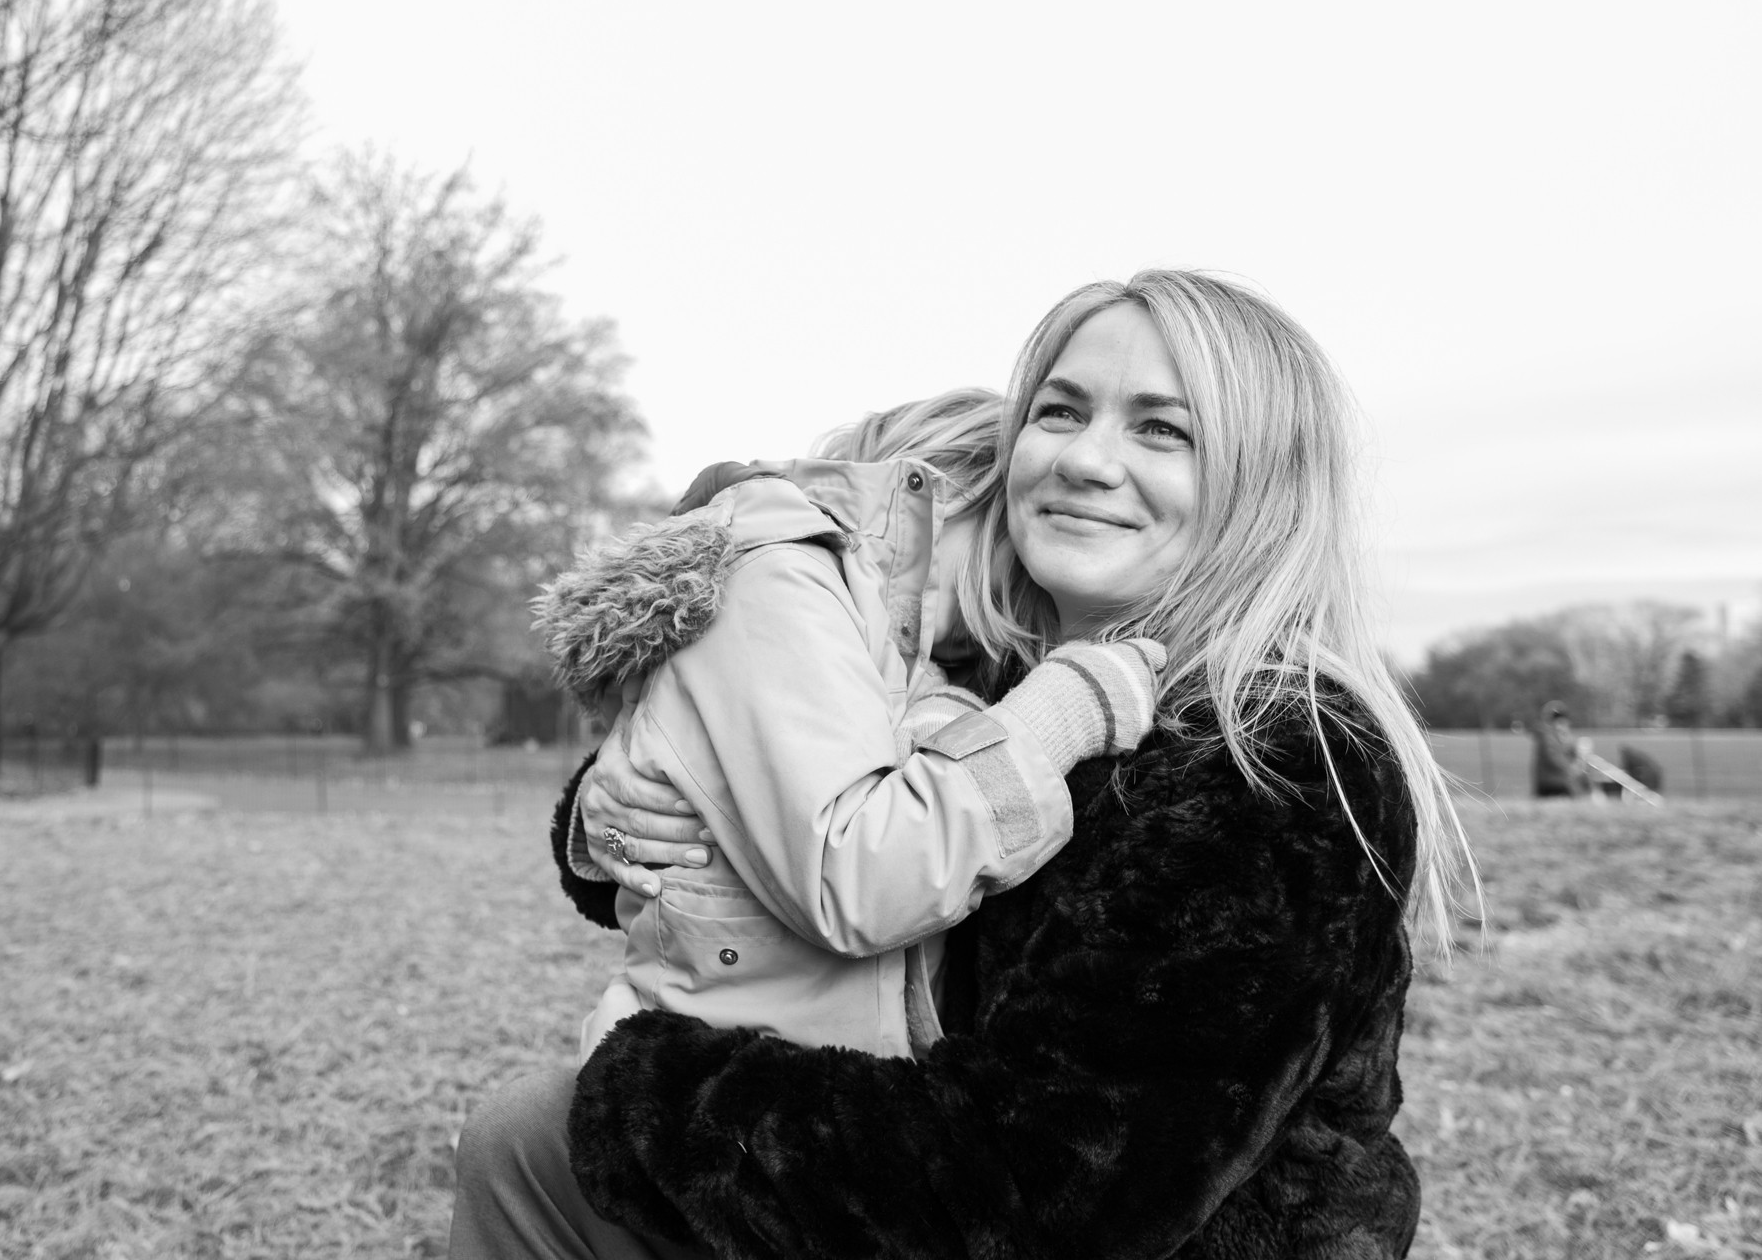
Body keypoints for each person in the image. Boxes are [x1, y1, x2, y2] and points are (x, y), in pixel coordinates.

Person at [452, 269, 1478, 1260]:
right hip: (926, 1165)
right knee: (524, 1138)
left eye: (1163, 428)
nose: (1083, 457)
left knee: (546, 1128)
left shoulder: (1272, 760)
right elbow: (831, 802)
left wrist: (645, 1092)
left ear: (1265, 492)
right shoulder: (1003, 667)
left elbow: (1041, 1195)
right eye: (1061, 410)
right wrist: (619, 809)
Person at [530, 387, 1163, 1065]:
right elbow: (857, 878)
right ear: (946, 499)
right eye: (1010, 544)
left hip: (780, 1080)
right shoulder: (782, 578)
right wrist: (1057, 714)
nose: (1017, 596)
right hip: (719, 1093)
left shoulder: (849, 621)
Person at [1530, 700, 1587, 799]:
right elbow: (1553, 758)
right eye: (1557, 720)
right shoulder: (1547, 737)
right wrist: (1571, 768)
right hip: (1551, 784)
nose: (1560, 725)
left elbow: (1571, 754)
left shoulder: (1563, 737)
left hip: (1560, 782)